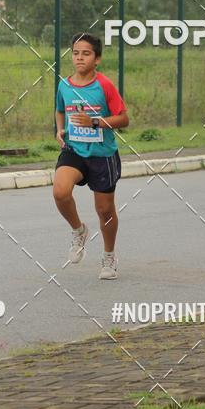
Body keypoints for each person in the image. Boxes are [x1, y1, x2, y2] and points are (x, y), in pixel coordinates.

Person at [53, 32, 129, 279]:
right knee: (60, 191)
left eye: (86, 53)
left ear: (97, 59)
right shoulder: (64, 84)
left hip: (102, 155)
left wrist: (95, 122)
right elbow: (59, 110)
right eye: (76, 53)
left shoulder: (104, 85)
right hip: (74, 150)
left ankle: (109, 257)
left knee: (105, 210)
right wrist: (60, 129)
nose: (79, 58)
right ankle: (79, 230)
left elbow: (123, 118)